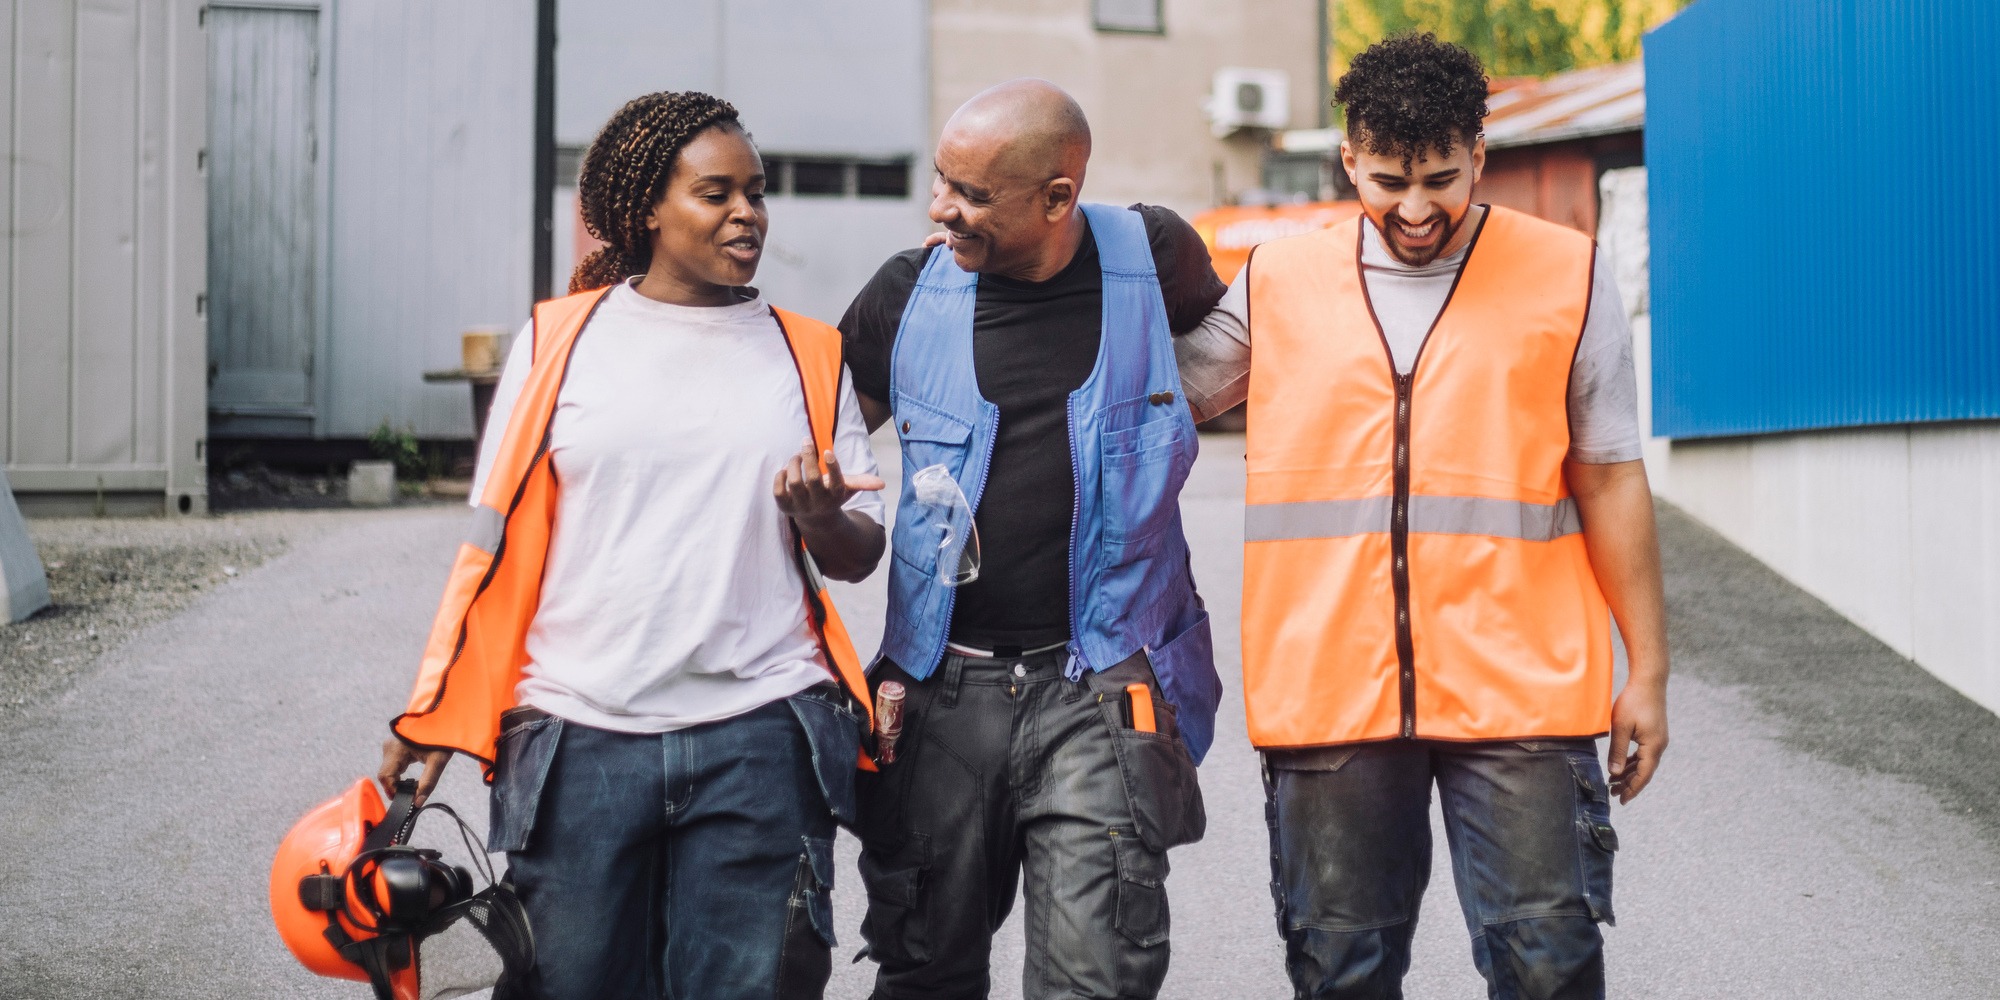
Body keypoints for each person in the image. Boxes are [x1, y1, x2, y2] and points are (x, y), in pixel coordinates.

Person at [1175, 34, 1671, 1000]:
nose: (1414, 208)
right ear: (1349, 160)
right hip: (1331, 693)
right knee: (1341, 971)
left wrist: (1646, 671)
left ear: (1480, 157)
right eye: (1389, 178)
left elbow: (1611, 477)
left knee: (1549, 968)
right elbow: (1148, 406)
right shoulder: (1276, 282)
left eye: (1441, 178)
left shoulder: (1566, 274)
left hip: (1523, 690)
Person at [376, 91, 886, 1000]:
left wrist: (818, 516)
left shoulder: (810, 356)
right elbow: (488, 558)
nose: (747, 215)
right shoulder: (558, 344)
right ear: (648, 206)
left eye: (757, 194)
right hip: (579, 740)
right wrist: (434, 719)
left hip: (760, 737)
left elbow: (855, 554)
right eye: (716, 193)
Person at [836, 79, 1225, 1000]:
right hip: (941, 690)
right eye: (941, 182)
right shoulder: (904, 293)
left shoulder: (1154, 256)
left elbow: (1232, 355)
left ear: (1058, 198)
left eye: (971, 195)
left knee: (1096, 976)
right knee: (925, 968)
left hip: (1101, 681)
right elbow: (823, 449)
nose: (941, 210)